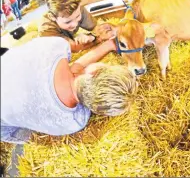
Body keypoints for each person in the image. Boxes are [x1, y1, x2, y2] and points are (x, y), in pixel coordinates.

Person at [1, 36, 137, 144]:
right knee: (31, 135)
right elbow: (77, 77)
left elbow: (75, 71)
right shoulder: (74, 121)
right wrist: (108, 46)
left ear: (94, 71)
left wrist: (107, 45)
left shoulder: (55, 47)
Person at [38, 0, 115, 52]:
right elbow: (74, 47)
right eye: (68, 21)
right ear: (53, 17)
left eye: (78, 16)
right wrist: (95, 38)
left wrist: (93, 35)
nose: (75, 24)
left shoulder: (77, 9)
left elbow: (97, 28)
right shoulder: (47, 29)